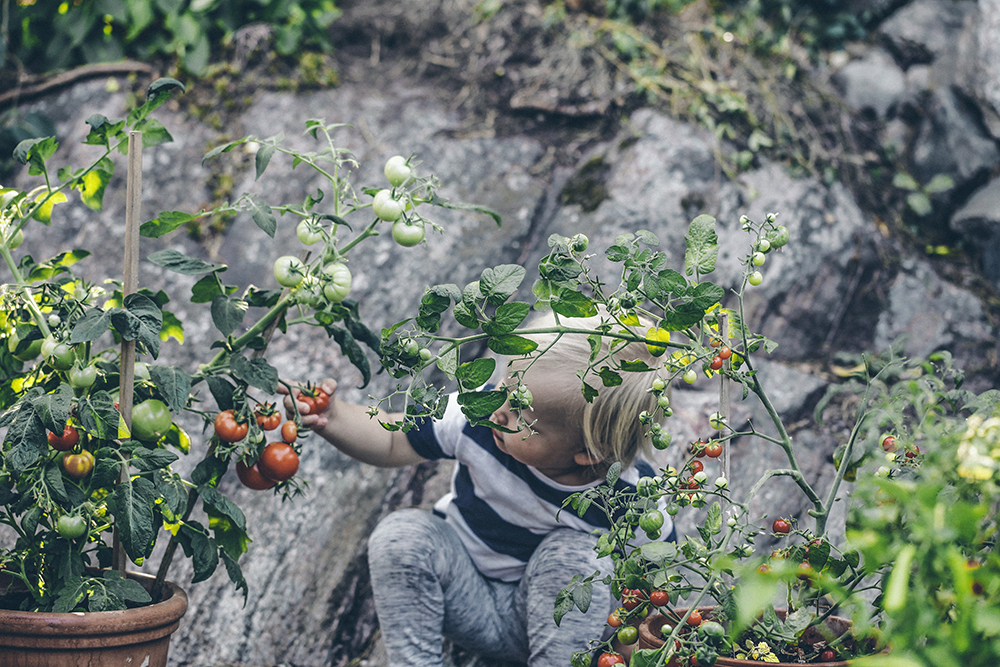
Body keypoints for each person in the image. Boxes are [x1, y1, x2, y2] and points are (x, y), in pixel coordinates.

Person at [280, 311, 676, 667]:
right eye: (506, 383)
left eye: (520, 411)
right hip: (467, 598)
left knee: (580, 559)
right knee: (401, 535)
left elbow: (647, 599)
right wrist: (331, 416)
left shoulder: (633, 501)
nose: (499, 408)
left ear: (589, 453)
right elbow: (390, 439)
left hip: (556, 633)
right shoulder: (478, 414)